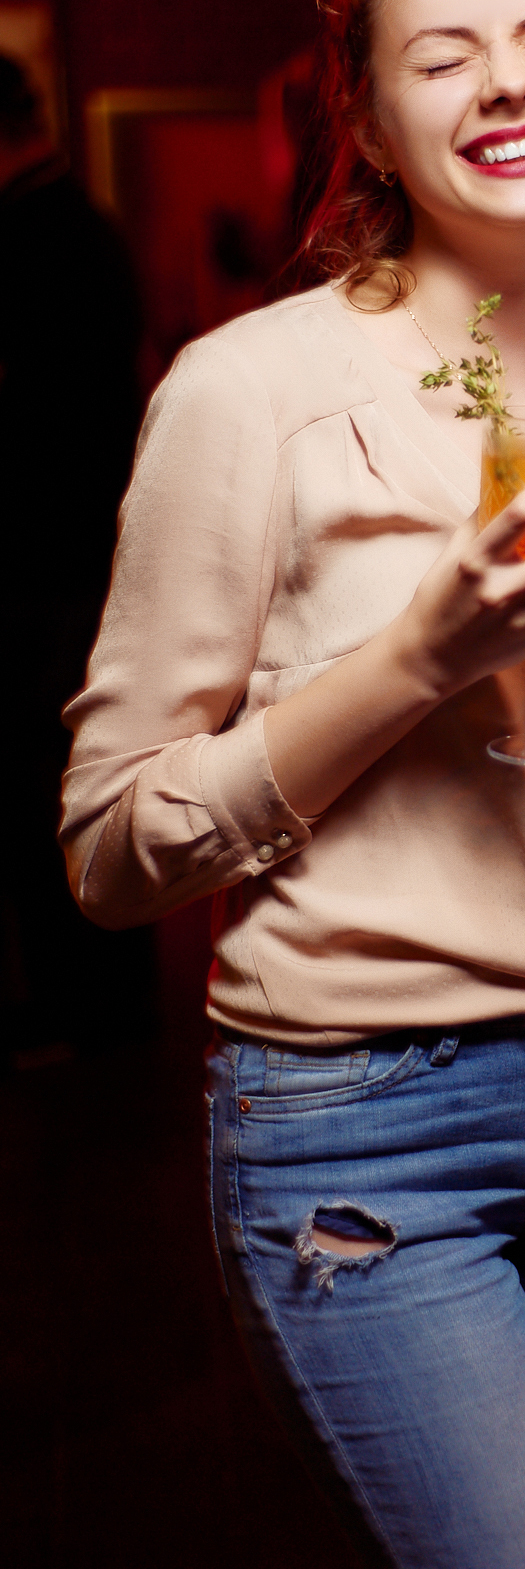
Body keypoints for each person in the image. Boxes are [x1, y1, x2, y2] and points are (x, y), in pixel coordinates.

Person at [60, 0, 525, 1569]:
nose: (506, 82)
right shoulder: (249, 392)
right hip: (367, 1116)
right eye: (443, 54)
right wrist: (418, 655)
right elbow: (108, 854)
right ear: (364, 114)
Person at [0, 54, 150, 1064]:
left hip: (49, 563)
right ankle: (97, 1014)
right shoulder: (78, 224)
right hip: (81, 551)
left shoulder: (36, 235)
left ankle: (83, 1019)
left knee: (48, 785)